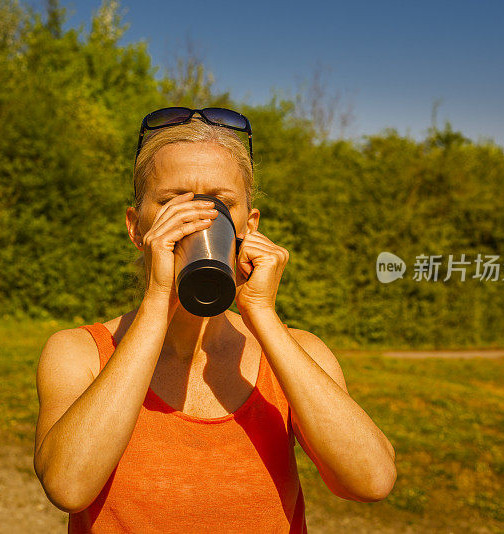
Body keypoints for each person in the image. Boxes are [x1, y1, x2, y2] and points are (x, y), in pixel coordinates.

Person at [33, 107, 396, 533]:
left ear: (248, 224)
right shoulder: (80, 352)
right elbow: (69, 486)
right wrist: (158, 301)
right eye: (173, 202)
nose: (197, 219)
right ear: (136, 227)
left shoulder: (297, 353)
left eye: (220, 204)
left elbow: (371, 480)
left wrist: (262, 315)